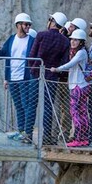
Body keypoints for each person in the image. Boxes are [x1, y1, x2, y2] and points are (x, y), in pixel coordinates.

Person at [29, 12, 70, 145]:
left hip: (37, 73)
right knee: (48, 106)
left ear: (52, 21)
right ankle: (46, 136)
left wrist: (33, 68)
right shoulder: (64, 41)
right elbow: (64, 61)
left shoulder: (41, 35)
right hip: (52, 76)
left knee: (32, 104)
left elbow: (32, 55)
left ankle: (27, 133)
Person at [0, 13, 36, 143]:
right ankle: (20, 130)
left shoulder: (31, 41)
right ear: (18, 25)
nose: (28, 26)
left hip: (25, 78)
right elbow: (2, 55)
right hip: (13, 78)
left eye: (29, 24)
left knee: (26, 104)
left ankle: (26, 132)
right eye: (25, 24)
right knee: (18, 105)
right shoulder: (12, 39)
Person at [50, 29, 90, 147]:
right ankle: (83, 138)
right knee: (82, 113)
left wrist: (57, 69)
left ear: (81, 42)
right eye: (72, 39)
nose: (72, 42)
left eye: (76, 40)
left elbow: (71, 64)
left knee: (75, 113)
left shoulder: (80, 53)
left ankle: (78, 138)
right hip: (81, 85)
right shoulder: (81, 52)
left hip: (77, 86)